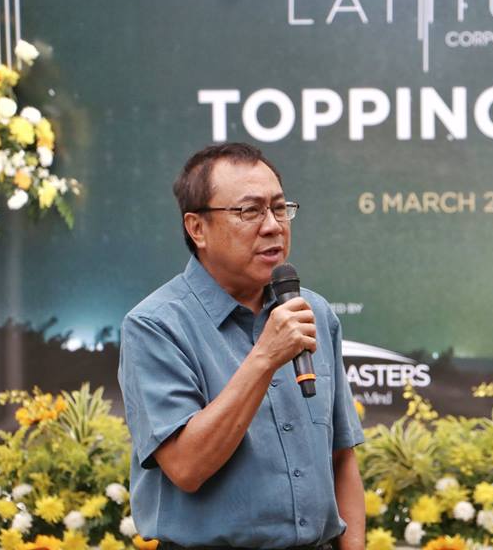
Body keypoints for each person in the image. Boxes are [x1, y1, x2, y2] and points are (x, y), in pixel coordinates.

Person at [118, 142, 365, 549]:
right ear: (197, 228)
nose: (272, 226)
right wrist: (265, 357)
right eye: (250, 211)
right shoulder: (155, 325)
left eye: (280, 208)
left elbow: (341, 459)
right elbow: (186, 467)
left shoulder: (313, 312)